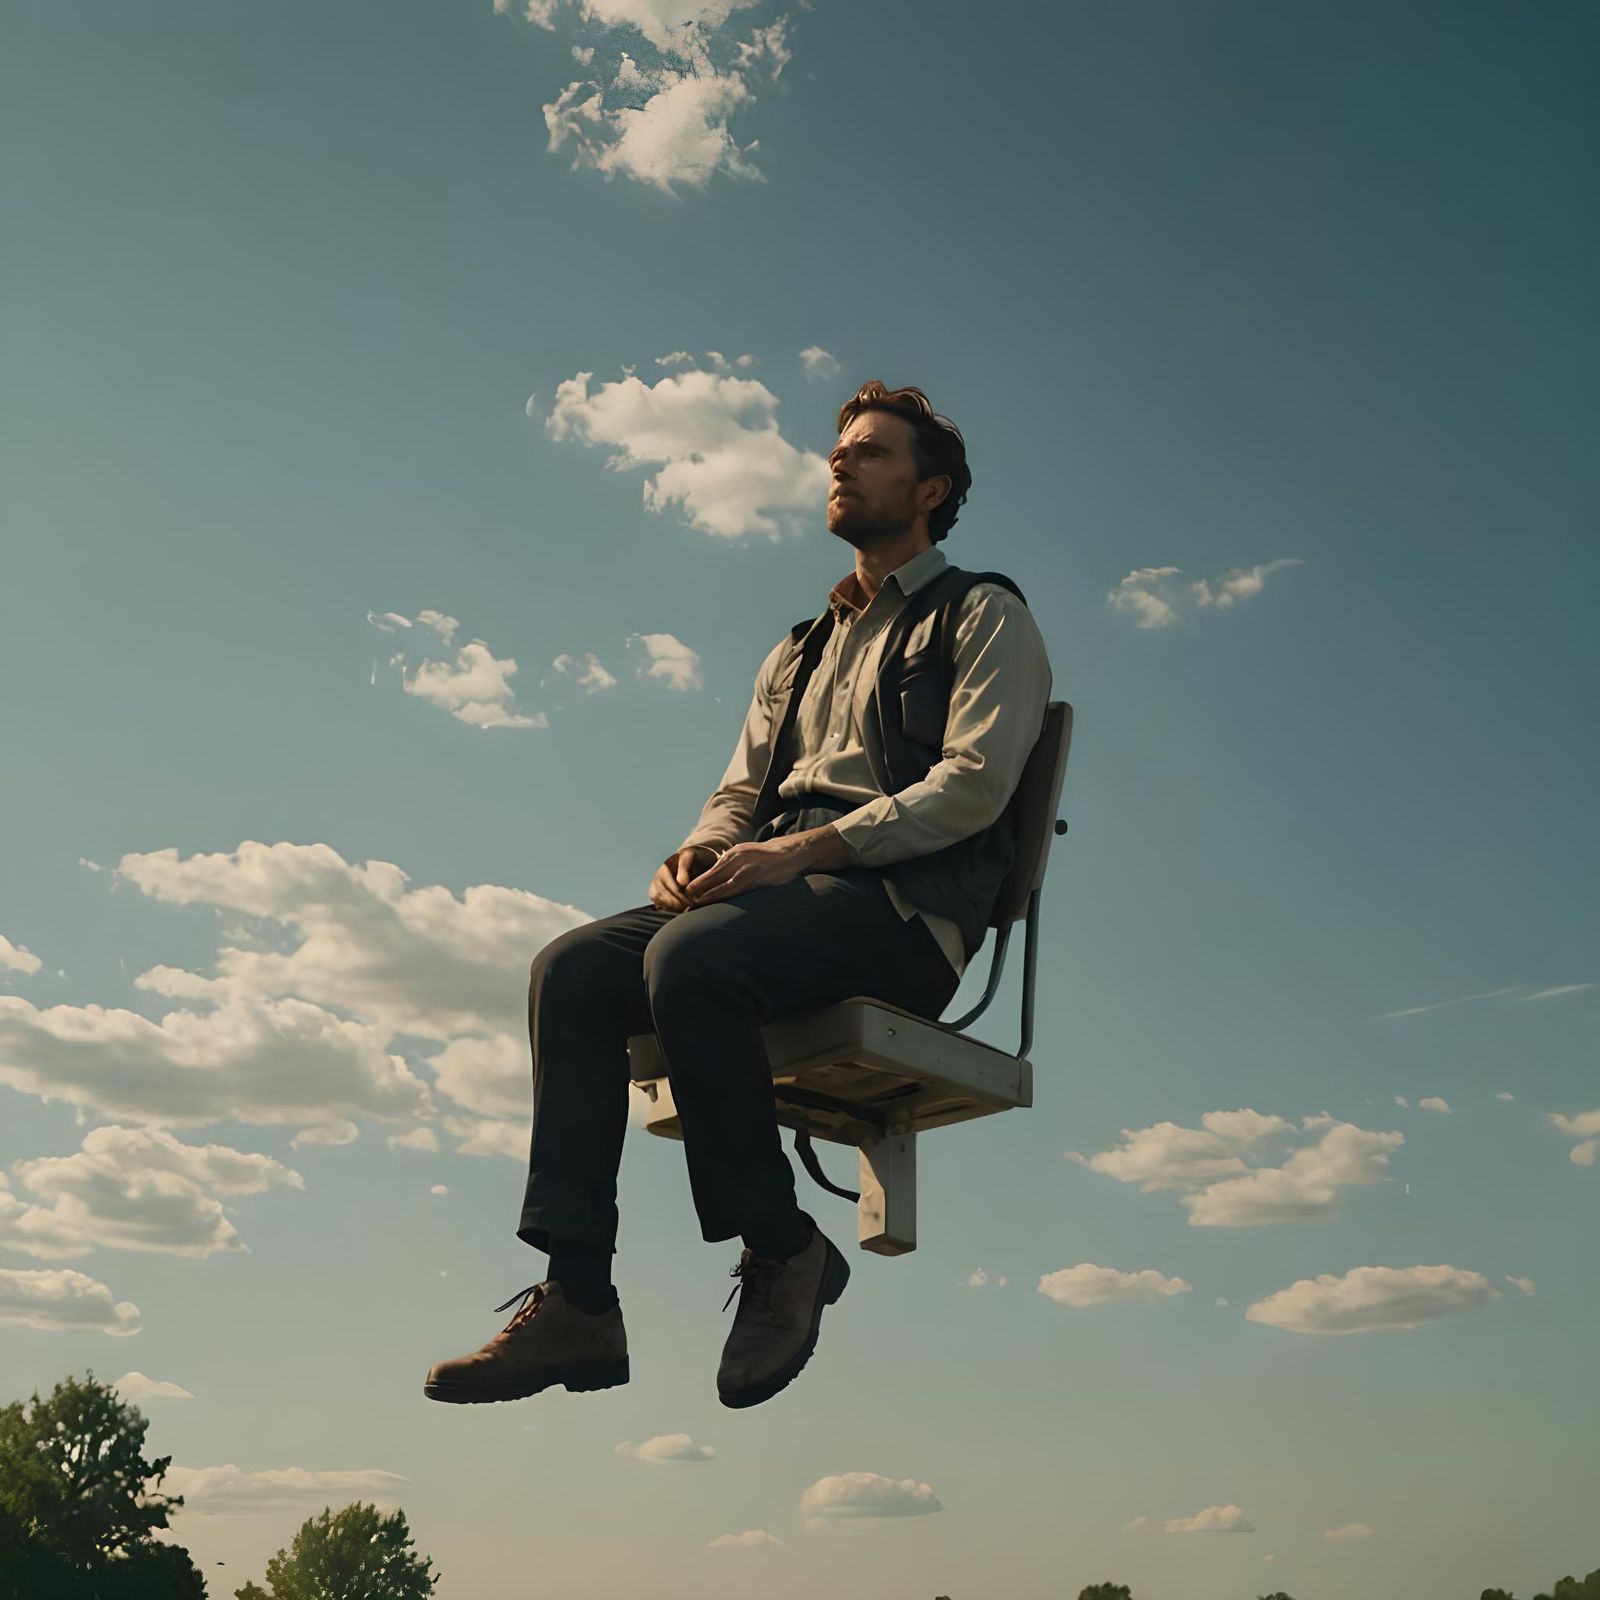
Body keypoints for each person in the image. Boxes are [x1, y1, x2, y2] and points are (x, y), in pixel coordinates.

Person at [424, 381, 1053, 1410]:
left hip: (901, 916)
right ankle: (579, 1298)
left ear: (930, 490)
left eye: (872, 452)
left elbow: (974, 786)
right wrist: (701, 852)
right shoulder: (799, 649)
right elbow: (738, 791)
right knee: (570, 971)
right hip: (774, 902)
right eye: (839, 451)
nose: (840, 462)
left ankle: (780, 1246)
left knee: (693, 959)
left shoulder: (983, 614)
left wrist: (809, 851)